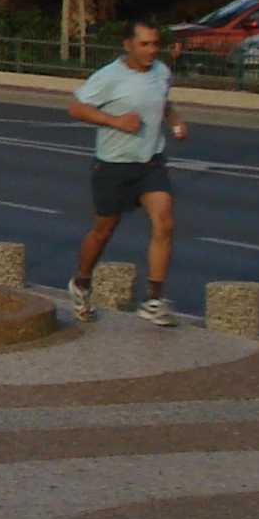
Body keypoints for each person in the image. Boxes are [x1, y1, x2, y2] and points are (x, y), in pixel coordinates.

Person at [67, 18, 188, 325]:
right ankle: (81, 283)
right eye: (144, 44)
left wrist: (174, 121)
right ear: (128, 45)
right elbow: (76, 108)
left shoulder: (162, 71)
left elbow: (163, 101)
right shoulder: (109, 76)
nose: (151, 51)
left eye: (155, 44)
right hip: (114, 165)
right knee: (104, 231)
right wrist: (116, 121)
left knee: (165, 223)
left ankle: (153, 300)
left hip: (150, 162)